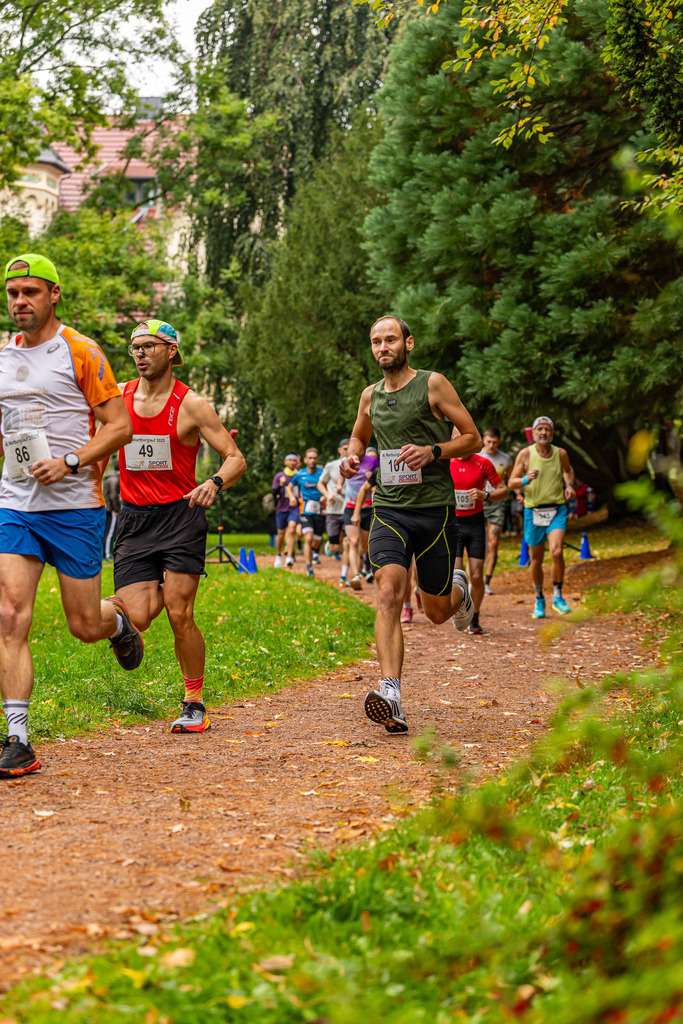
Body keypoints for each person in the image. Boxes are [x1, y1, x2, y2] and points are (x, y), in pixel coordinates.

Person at [0, 253, 142, 778]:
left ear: (53, 294)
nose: (20, 303)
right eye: (13, 294)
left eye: (30, 293)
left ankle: (117, 619)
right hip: (16, 504)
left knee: (83, 625)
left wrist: (70, 461)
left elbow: (119, 426)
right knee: (10, 616)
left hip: (75, 506)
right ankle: (18, 739)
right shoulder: (1, 356)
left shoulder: (80, 351)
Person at [340, 314, 481, 734]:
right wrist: (352, 457)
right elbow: (359, 437)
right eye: (375, 342)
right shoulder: (369, 396)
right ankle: (391, 694)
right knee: (387, 592)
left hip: (435, 511)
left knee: (437, 613)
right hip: (389, 507)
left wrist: (433, 450)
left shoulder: (433, 384)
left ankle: (460, 589)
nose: (383, 347)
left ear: (409, 343)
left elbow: (470, 436)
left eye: (390, 340)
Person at [114, 319, 246, 734]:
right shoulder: (118, 397)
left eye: (149, 345)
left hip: (180, 515)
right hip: (134, 517)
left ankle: (193, 702)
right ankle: (121, 623)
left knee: (178, 612)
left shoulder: (191, 404)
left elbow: (235, 457)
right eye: (135, 346)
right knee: (137, 616)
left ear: (171, 350)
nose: (139, 353)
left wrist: (214, 482)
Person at [508, 415, 576, 619]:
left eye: (547, 429)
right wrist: (526, 479)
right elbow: (511, 482)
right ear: (534, 433)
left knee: (556, 552)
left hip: (556, 509)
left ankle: (557, 595)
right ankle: (539, 598)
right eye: (540, 429)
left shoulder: (560, 453)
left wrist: (570, 485)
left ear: (552, 434)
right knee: (536, 559)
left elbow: (568, 471)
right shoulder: (525, 455)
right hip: (533, 511)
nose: (544, 432)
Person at [449, 449, 508, 634]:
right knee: (457, 575)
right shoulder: (445, 462)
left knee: (476, 576)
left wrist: (486, 495)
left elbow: (503, 491)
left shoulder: (482, 463)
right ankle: (459, 610)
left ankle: (474, 616)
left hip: (475, 524)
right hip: (453, 524)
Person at [477, 428, 512, 595]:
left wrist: (517, 494)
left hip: (496, 502)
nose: (491, 445)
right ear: (484, 439)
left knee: (493, 543)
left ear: (499, 442)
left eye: (495, 442)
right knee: (475, 543)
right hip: (477, 501)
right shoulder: (476, 456)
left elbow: (509, 480)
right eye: (488, 441)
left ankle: (487, 581)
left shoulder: (505, 458)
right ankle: (473, 578)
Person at [286, 448, 328, 577]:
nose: (312, 460)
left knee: (316, 540)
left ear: (317, 459)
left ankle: (315, 551)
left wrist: (325, 496)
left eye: (314, 458)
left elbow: (328, 486)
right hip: (305, 510)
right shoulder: (299, 474)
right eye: (310, 458)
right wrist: (292, 497)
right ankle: (309, 567)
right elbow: (289, 487)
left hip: (320, 510)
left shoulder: (323, 473)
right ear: (305, 460)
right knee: (308, 538)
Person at [344, 447, 379, 590]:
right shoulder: (346, 461)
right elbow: (340, 477)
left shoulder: (373, 461)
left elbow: (377, 480)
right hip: (351, 505)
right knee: (353, 541)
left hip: (369, 506)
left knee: (364, 545)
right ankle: (356, 575)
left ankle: (365, 565)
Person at [318, 438, 350, 585]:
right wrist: (327, 495)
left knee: (349, 542)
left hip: (349, 508)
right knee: (335, 547)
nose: (347, 451)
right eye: (345, 448)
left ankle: (345, 575)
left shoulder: (358, 465)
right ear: (339, 450)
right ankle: (329, 545)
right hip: (333, 510)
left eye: (350, 448)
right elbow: (320, 483)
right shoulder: (331, 466)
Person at [272, 454, 299, 568]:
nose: (292, 462)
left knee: (292, 529)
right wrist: (280, 485)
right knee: (281, 534)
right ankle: (278, 555)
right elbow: (274, 493)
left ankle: (289, 557)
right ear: (285, 462)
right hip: (281, 508)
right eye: (290, 460)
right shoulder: (279, 476)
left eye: (294, 460)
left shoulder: (299, 476)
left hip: (294, 508)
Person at [103, 459, 121, 560]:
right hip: (112, 509)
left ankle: (106, 553)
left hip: (107, 508)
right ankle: (107, 554)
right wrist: (117, 509)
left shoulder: (109, 476)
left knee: (108, 531)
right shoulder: (114, 479)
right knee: (110, 532)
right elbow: (113, 496)